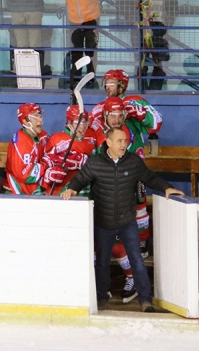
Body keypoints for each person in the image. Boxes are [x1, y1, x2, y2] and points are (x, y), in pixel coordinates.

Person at [63, 127, 184, 312]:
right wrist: (71, 189)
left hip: (127, 222)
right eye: (119, 141)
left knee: (137, 260)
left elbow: (150, 178)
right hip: (103, 222)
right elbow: (80, 179)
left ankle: (145, 300)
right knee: (102, 262)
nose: (123, 144)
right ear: (108, 142)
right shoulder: (95, 163)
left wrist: (167, 187)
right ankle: (101, 298)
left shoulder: (133, 162)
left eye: (125, 141)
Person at [42, 0, 106, 86]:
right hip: (74, 18)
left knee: (91, 49)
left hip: (91, 17)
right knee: (76, 49)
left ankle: (91, 77)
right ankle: (77, 77)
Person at [43, 105, 96, 196]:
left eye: (84, 122)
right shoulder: (56, 139)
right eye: (77, 122)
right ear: (69, 122)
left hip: (85, 188)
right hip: (61, 190)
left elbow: (98, 163)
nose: (82, 126)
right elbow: (45, 164)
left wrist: (84, 161)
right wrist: (49, 174)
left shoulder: (91, 137)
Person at [3, 103, 51, 195]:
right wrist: (46, 165)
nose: (40, 120)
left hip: (32, 188)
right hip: (19, 191)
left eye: (40, 115)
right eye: (35, 117)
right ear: (25, 121)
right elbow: (25, 174)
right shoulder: (21, 144)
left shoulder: (43, 135)